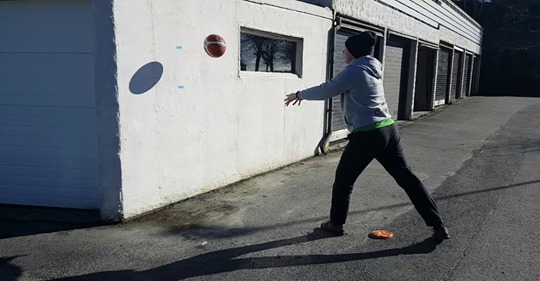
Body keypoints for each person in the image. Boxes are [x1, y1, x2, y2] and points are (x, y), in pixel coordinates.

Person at [284, 31, 450, 240]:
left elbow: (327, 90)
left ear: (352, 52)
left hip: (368, 134)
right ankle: (438, 225)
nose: (343, 52)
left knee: (344, 180)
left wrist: (299, 94)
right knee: (407, 178)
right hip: (389, 130)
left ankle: (336, 224)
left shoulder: (354, 71)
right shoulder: (373, 68)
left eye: (345, 49)